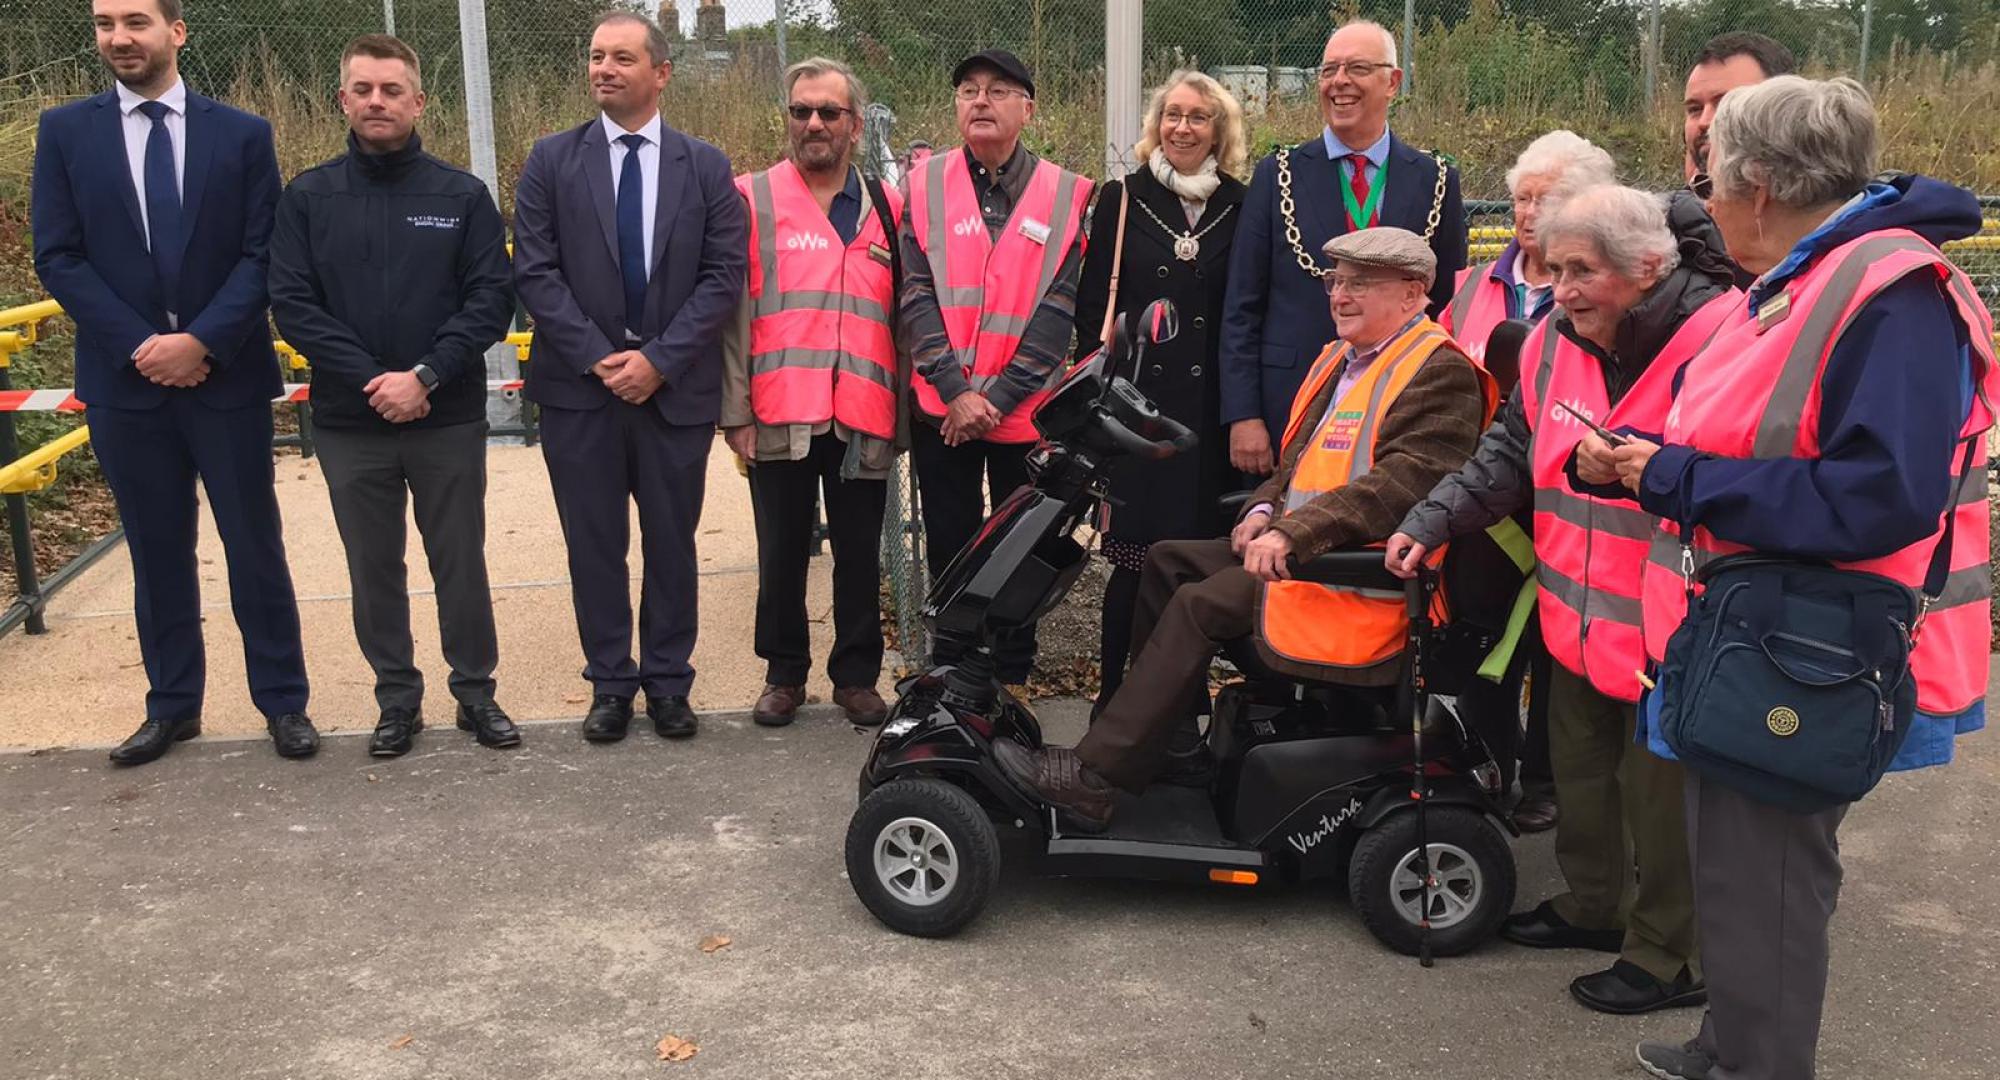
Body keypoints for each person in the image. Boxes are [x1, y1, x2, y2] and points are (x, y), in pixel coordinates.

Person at [1616, 77, 1996, 1080]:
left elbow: (1880, 496)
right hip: (1755, 624)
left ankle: (1759, 1064)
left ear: (1751, 180)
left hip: (1807, 639)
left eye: (1705, 182)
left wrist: (1666, 475)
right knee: (1733, 869)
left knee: (1772, 879)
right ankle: (1727, 1044)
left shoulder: (1888, 291)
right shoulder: (1820, 273)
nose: (1702, 203)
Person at [996, 227, 1489, 830]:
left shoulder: (1440, 373)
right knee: (1165, 560)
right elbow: (1297, 464)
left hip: (1366, 585)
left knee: (1203, 603)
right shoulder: (1347, 358)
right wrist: (1261, 510)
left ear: (1414, 294)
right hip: (1316, 559)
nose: (1340, 296)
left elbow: (1399, 488)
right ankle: (1170, 747)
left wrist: (1292, 532)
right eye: (1336, 281)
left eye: (1361, 284)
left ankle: (1096, 778)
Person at [1390, 184, 1739, 1015]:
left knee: (1660, 796)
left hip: (1673, 623)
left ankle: (1669, 956)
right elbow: (1510, 449)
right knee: (1581, 771)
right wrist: (1433, 519)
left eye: (1584, 271)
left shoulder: (1720, 339)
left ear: (1649, 268)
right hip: (1578, 612)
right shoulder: (1553, 339)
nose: (1564, 287)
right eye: (1555, 269)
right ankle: (1594, 906)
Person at [32, 0, 314, 765]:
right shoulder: (65, 132)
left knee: (254, 544)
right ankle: (173, 706)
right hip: (128, 385)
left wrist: (201, 341)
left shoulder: (244, 134)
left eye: (136, 21)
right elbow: (57, 255)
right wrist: (143, 346)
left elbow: (264, 253)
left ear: (176, 32)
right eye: (103, 24)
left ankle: (284, 703)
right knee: (156, 551)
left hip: (224, 376)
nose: (119, 37)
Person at [267, 34, 517, 757]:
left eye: (392, 90)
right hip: (351, 421)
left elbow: (487, 301)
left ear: (418, 102)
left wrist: (426, 376)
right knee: (374, 570)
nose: (377, 102)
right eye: (364, 90)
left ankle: (476, 695)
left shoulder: (460, 196)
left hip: (447, 415)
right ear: (343, 99)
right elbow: (294, 304)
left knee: (459, 563)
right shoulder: (309, 197)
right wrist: (374, 381)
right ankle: (397, 702)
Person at [513, 11, 747, 743]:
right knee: (594, 543)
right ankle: (611, 682)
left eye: (620, 57)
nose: (603, 69)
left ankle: (670, 683)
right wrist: (600, 357)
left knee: (672, 543)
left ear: (661, 73)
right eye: (595, 57)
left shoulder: (705, 167)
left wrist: (660, 360)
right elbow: (535, 272)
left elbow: (723, 276)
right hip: (580, 393)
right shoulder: (551, 161)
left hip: (673, 394)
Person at [900, 49, 1092, 694]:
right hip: (942, 410)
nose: (980, 101)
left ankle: (1009, 672)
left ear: (1027, 109)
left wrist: (998, 397)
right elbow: (914, 292)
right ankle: (951, 667)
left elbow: (1060, 308)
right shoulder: (921, 187)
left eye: (999, 90)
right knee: (950, 539)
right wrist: (956, 392)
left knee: (1021, 542)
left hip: (1023, 413)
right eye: (968, 90)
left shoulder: (1068, 195)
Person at [721, 57, 902, 729]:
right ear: (788, 121)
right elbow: (732, 312)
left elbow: (905, 316)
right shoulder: (751, 198)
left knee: (859, 554)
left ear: (854, 125)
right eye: (801, 111)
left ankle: (856, 677)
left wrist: (904, 417)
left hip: (863, 412)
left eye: (829, 111)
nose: (814, 123)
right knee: (782, 550)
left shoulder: (888, 204)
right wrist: (734, 411)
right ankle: (784, 674)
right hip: (779, 409)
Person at [1219, 20, 1466, 480]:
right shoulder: (1279, 173)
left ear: (1392, 81)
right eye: (1328, 69)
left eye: (1356, 68)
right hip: (1289, 400)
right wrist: (1243, 414)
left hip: (1400, 402)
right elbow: (1242, 304)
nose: (1339, 82)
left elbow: (1448, 303)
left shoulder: (1435, 179)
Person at [1072, 70, 1247, 715]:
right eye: (1172, 115)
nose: (1182, 127)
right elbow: (1095, 304)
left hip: (1211, 421)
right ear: (1156, 126)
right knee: (1134, 567)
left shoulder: (1243, 204)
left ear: (1218, 131)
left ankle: (1183, 700)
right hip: (1140, 421)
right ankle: (1113, 696)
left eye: (1198, 117)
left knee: (1194, 568)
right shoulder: (1122, 200)